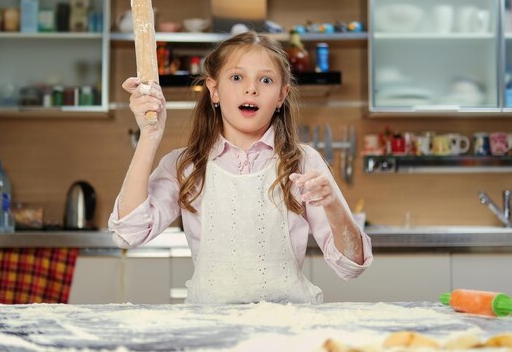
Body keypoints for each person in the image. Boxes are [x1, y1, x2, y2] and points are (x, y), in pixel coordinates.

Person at [109, 31, 372, 304]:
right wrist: (150, 134)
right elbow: (127, 233)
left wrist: (333, 206)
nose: (251, 89)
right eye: (237, 77)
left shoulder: (304, 163)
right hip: (211, 330)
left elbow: (352, 266)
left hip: (288, 328)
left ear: (282, 96)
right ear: (214, 90)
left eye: (266, 80)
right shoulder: (186, 166)